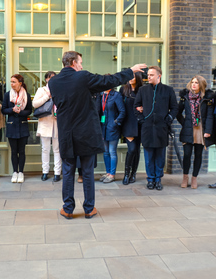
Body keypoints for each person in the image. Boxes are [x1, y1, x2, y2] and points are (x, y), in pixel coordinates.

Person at [48, 50, 146, 220]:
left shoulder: (53, 82)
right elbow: (109, 80)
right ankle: (89, 208)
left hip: (66, 133)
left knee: (68, 171)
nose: (82, 65)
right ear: (73, 63)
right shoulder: (83, 77)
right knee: (87, 172)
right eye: (80, 62)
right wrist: (131, 71)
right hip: (86, 133)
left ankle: (68, 208)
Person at [134, 66, 178, 191]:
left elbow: (174, 108)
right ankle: (150, 179)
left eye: (152, 75)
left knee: (160, 156)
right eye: (148, 75)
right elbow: (136, 106)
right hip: (147, 128)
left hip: (161, 128)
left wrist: (168, 119)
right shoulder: (143, 90)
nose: (149, 77)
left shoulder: (168, 90)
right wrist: (142, 120)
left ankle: (158, 179)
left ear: (159, 76)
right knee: (148, 157)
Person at [177, 75, 215, 189]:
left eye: (196, 83)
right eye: (192, 82)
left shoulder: (207, 98)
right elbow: (178, 113)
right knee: (187, 154)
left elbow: (209, 116)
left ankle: (194, 178)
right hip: (188, 129)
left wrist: (208, 131)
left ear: (201, 85)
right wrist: (185, 123)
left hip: (200, 130)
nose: (193, 84)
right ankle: (185, 177)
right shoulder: (185, 97)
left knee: (198, 155)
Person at [2, 74, 32, 183]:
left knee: (22, 151)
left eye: (14, 82)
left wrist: (21, 112)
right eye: (11, 82)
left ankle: (21, 172)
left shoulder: (26, 95)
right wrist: (12, 110)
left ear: (20, 83)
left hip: (23, 124)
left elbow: (29, 110)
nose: (11, 84)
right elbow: (3, 110)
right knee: (14, 151)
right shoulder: (7, 95)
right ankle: (15, 172)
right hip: (11, 125)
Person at [33, 71, 62, 182]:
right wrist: (47, 96)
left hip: (57, 122)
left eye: (54, 78)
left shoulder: (60, 90)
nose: (52, 80)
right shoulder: (42, 90)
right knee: (45, 149)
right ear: (46, 79)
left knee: (57, 149)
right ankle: (45, 172)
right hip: (45, 122)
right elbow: (35, 104)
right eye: (50, 78)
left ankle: (57, 173)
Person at [119, 71, 143, 185]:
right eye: (130, 76)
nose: (131, 78)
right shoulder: (123, 90)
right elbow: (120, 108)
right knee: (132, 149)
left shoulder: (143, 90)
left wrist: (144, 108)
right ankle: (126, 174)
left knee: (137, 150)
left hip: (140, 124)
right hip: (128, 124)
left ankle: (133, 174)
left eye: (133, 76)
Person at [97, 88, 125, 183]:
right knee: (105, 152)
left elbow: (122, 111)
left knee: (112, 151)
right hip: (103, 127)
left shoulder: (116, 95)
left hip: (113, 128)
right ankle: (108, 173)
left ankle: (112, 174)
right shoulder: (101, 95)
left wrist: (115, 122)